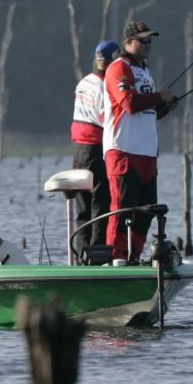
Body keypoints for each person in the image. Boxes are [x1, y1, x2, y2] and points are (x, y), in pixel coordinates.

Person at [102, 20, 179, 262]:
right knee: (123, 208)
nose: (149, 44)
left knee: (146, 212)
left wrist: (165, 106)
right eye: (143, 40)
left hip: (147, 152)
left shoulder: (145, 70)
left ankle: (134, 256)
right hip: (123, 149)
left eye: (150, 40)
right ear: (128, 43)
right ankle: (117, 258)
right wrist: (158, 96)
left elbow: (148, 113)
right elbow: (129, 104)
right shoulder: (119, 67)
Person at [71, 40, 121, 250]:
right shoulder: (104, 87)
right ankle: (97, 254)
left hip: (79, 152)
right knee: (101, 204)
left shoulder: (84, 82)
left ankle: (82, 254)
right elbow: (107, 119)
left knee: (83, 208)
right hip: (95, 149)